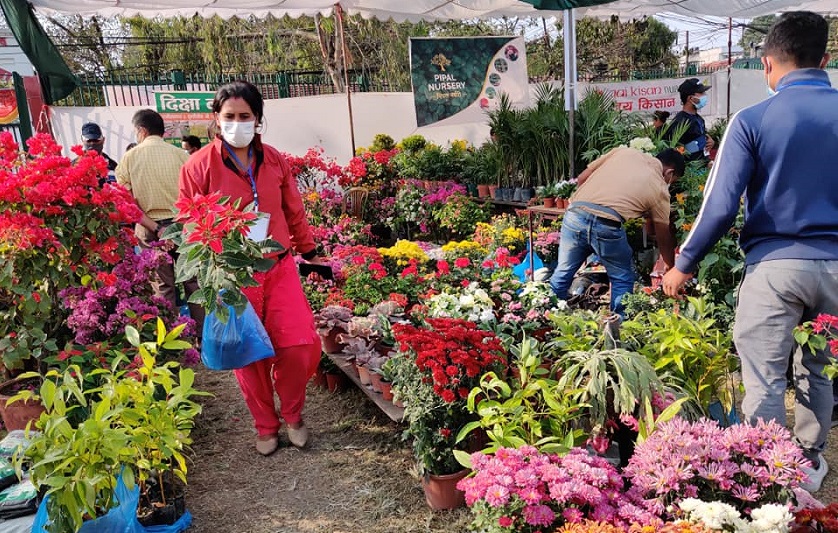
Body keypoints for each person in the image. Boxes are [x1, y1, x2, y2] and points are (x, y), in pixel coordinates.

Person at [662, 11, 838, 493]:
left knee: (763, 374)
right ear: (824, 59)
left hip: (776, 266)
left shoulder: (753, 120)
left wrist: (684, 263)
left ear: (766, 64)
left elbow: (719, 205)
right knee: (819, 368)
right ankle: (809, 460)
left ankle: (767, 470)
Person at [179, 80, 323, 456]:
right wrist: (207, 259)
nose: (237, 123)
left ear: (257, 119)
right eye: (230, 116)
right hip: (233, 273)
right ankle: (266, 425)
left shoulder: (274, 159)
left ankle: (293, 415)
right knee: (249, 352)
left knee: (299, 347)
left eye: (245, 116)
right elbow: (187, 216)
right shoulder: (198, 165)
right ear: (216, 118)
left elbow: (293, 208)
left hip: (278, 265)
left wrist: (309, 249)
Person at [549, 146, 685, 317]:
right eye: (673, 180)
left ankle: (548, 316)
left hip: (574, 214)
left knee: (562, 273)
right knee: (622, 277)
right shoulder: (659, 187)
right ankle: (617, 329)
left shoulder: (623, 152)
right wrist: (672, 268)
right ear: (670, 173)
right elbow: (662, 234)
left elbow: (582, 178)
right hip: (606, 225)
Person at [115, 109, 189, 306]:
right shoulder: (182, 156)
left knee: (161, 286)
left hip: (149, 228)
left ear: (142, 131)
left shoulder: (130, 158)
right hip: (183, 227)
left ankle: (169, 334)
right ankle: (201, 335)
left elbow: (127, 202)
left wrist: (157, 229)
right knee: (193, 282)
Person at [666, 78, 714, 163]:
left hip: (704, 166)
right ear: (691, 98)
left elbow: (700, 140)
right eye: (701, 93)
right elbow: (674, 150)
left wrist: (709, 142)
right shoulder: (679, 122)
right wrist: (688, 151)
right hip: (691, 172)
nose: (705, 95)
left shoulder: (699, 119)